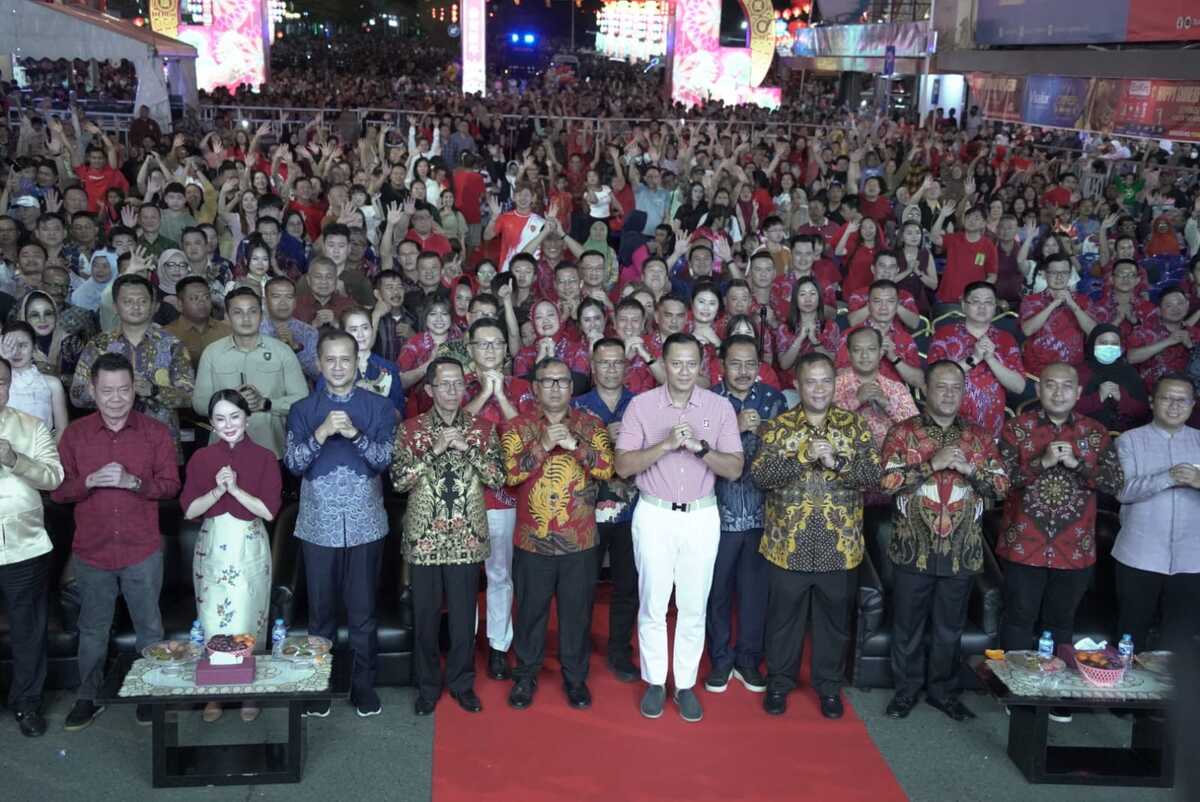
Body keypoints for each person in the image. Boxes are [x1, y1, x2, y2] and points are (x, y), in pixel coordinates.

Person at [615, 333, 743, 723]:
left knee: (693, 603)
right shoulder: (642, 405)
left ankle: (684, 683)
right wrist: (667, 445)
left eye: (692, 364)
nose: (684, 371)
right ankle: (656, 680)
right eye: (676, 363)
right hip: (654, 513)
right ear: (664, 365)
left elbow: (735, 469)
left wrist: (702, 448)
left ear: (703, 366)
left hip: (702, 515)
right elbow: (622, 466)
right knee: (653, 600)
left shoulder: (719, 408)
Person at [53, 353, 180, 731]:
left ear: (133, 389)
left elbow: (172, 486)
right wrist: (88, 482)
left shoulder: (155, 433)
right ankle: (88, 697)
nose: (116, 398)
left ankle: (150, 694)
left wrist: (134, 482)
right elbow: (58, 491)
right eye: (107, 391)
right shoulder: (75, 435)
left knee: (150, 628)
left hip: (142, 548)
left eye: (124, 389)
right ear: (93, 391)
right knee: (93, 629)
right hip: (92, 550)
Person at [751, 352, 880, 718]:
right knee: (782, 622)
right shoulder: (779, 427)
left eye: (826, 381)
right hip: (787, 545)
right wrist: (803, 456)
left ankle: (828, 688)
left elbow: (875, 477)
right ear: (797, 385)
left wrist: (836, 461)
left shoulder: (854, 427)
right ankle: (778, 684)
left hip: (839, 547)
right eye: (811, 381)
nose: (819, 388)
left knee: (834, 625)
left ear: (835, 385)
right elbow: (761, 476)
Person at [880, 361, 1009, 722]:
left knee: (949, 629)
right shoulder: (903, 433)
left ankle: (942, 692)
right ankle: (905, 692)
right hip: (912, 549)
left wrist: (970, 469)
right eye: (941, 387)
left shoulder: (978, 438)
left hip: (961, 551)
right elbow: (885, 482)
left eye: (956, 387)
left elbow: (1002, 486)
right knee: (907, 627)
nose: (949, 394)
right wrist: (931, 464)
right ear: (925, 391)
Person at [997, 364, 1124, 721]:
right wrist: (1042, 461)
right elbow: (998, 482)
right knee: (1019, 619)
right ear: (1038, 391)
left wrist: (1079, 465)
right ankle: (1018, 690)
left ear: (1078, 391)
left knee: (1062, 622)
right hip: (1024, 544)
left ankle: (1056, 694)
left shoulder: (1095, 434)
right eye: (1050, 386)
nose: (1057, 392)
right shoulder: (1017, 429)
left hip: (1074, 548)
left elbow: (1115, 483)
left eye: (1066, 386)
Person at [284, 329, 396, 718]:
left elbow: (385, 461)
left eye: (345, 359)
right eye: (329, 359)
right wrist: (321, 432)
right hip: (318, 525)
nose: (337, 366)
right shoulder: (302, 410)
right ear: (318, 363)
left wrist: (354, 434)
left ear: (357, 362)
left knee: (363, 613)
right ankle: (321, 685)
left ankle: (363, 686)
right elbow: (294, 463)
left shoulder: (379, 408)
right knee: (321, 615)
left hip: (366, 524)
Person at [391, 357, 506, 716]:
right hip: (425, 539)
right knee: (425, 619)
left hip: (467, 538)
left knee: (461, 620)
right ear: (429, 390)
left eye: (459, 384)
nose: (453, 391)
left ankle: (461, 683)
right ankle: (427, 686)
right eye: (445, 384)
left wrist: (465, 449)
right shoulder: (410, 430)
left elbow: (498, 477)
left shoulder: (482, 429)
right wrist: (435, 449)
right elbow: (399, 480)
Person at [501, 357, 614, 711]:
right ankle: (526, 675)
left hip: (578, 540)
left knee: (576, 613)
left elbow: (606, 469)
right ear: (534, 387)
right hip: (532, 540)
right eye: (547, 382)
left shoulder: (590, 425)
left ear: (572, 387)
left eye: (562, 382)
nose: (555, 388)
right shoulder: (517, 427)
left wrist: (576, 447)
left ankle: (575, 678)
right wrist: (542, 444)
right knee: (530, 611)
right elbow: (510, 475)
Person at [180, 389, 282, 723]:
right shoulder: (201, 459)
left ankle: (248, 692)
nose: (228, 425)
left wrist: (236, 489)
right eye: (220, 419)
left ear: (247, 418)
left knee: (249, 617)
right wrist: (217, 490)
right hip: (212, 546)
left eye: (235, 417)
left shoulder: (265, 457)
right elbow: (190, 509)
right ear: (211, 423)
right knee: (213, 618)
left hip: (248, 546)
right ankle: (217, 694)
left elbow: (268, 511)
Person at [704, 335, 786, 696]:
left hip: (761, 517)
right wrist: (732, 428)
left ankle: (749, 660)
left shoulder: (774, 400)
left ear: (759, 366)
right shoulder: (707, 402)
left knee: (754, 596)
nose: (742, 371)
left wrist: (764, 431)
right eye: (735, 364)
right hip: (714, 515)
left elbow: (788, 453)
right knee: (716, 593)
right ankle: (720, 660)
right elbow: (695, 452)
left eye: (749, 364)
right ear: (722, 366)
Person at [463, 317, 538, 681]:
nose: (490, 350)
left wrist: (501, 397)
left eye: (496, 344)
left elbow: (527, 436)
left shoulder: (522, 388)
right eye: (483, 344)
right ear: (471, 349)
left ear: (506, 350)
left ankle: (497, 645)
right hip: (459, 497)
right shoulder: (457, 385)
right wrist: (482, 394)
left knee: (499, 574)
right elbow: (447, 428)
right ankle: (463, 644)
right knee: (461, 578)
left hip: (505, 499)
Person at [0, 355, 64, 737]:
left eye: (2, 382)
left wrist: (15, 459)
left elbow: (54, 477)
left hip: (24, 547)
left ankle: (27, 703)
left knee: (28, 631)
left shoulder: (32, 427)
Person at [1112, 373, 1200, 651]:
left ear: (1193, 404)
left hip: (1193, 558)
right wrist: (1167, 477)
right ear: (1152, 402)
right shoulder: (1129, 441)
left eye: (1182, 400)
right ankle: (1124, 693)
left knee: (1181, 639)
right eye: (1166, 398)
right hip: (1139, 554)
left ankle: (1177, 696)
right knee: (1130, 636)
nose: (1174, 406)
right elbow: (1122, 492)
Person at [571, 337, 641, 682]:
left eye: (617, 363)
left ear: (626, 367)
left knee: (627, 585)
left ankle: (619, 650)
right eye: (604, 363)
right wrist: (601, 437)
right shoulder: (577, 407)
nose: (611, 369)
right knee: (582, 585)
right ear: (592, 366)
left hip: (633, 510)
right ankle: (576, 646)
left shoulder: (642, 405)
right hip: (586, 510)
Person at [70, 275, 195, 460]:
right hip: (109, 443)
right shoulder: (99, 345)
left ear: (153, 305)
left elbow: (190, 397)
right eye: (128, 301)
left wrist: (153, 390)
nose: (136, 307)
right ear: (115, 306)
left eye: (142, 301)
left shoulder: (172, 345)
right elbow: (77, 395)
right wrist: (112, 390)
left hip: (160, 445)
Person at [192, 288, 309, 459]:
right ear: (227, 316)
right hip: (223, 448)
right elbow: (199, 403)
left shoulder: (282, 352)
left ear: (261, 315)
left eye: (252, 311)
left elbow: (302, 401)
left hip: (272, 448)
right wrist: (231, 402)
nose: (246, 319)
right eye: (238, 312)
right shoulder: (212, 353)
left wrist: (266, 404)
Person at [928, 281, 1026, 439]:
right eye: (976, 301)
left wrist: (991, 359)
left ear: (995, 306)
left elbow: (1019, 386)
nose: (982, 307)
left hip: (990, 428)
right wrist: (975, 358)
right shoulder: (944, 334)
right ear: (963, 305)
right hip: (948, 423)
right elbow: (933, 378)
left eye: (988, 302)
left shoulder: (1006, 339)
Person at [1020, 255, 1100, 376]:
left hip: (1073, 370)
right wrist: (1054, 304)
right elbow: (1027, 330)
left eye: (1064, 272)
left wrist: (1072, 304)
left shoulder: (1083, 300)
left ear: (1070, 275)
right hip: (1038, 371)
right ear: (1044, 274)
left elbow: (1094, 331)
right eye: (1053, 273)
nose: (1059, 277)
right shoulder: (1031, 300)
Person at [0, 322, 69, 439]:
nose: (16, 351)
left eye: (22, 345)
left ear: (34, 347)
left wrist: (48, 455)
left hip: (42, 452)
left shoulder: (52, 384)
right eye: (10, 346)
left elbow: (62, 428)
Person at [1076, 324, 1150, 432]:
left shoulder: (1129, 372)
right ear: (1092, 344)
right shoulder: (1079, 372)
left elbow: (1143, 411)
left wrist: (1122, 398)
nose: (1109, 347)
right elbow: (1066, 406)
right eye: (1103, 343)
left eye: (1114, 344)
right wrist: (1098, 397)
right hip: (1085, 434)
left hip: (1125, 434)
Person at [165, 275, 232, 372]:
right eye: (194, 298)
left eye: (206, 297)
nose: (202, 302)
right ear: (180, 304)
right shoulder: (167, 335)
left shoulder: (227, 331)